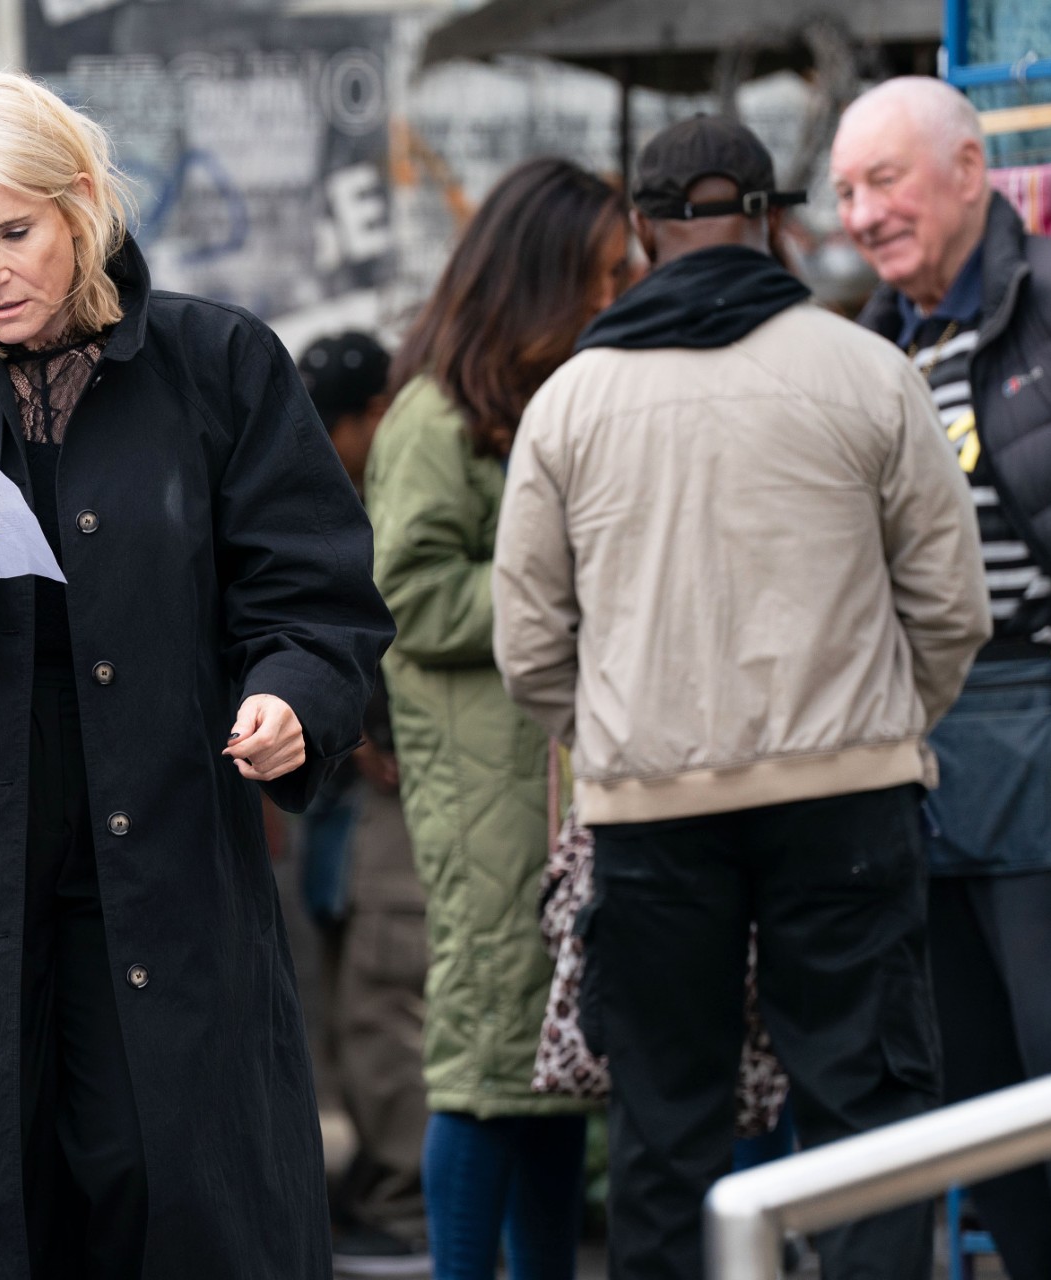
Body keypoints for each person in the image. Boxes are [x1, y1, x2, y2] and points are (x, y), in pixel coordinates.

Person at [0, 72, 394, 1279]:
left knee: (178, 1186)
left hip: (165, 839)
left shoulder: (219, 365)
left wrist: (290, 697)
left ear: (83, 202)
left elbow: (313, 596)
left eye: (14, 232)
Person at [493, 115, 991, 1279]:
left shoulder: (572, 402)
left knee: (667, 1126)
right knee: (867, 1110)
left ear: (641, 230)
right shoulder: (870, 370)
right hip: (848, 796)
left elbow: (528, 642)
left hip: (650, 810)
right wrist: (882, 725)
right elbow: (951, 605)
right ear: (772, 220)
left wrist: (615, 736)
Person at [366, 157, 627, 1280]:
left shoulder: (550, 399)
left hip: (550, 766)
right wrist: (567, 587)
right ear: (542, 275)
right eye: (603, 274)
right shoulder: (436, 415)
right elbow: (409, 593)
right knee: (487, 1053)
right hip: (483, 779)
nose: (618, 294)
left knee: (551, 1058)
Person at [834, 76, 1051, 1279]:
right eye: (845, 193)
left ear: (971, 170)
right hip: (919, 749)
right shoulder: (870, 349)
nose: (862, 215)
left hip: (1043, 727)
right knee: (971, 1077)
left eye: (887, 180)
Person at [296, 332, 431, 1278]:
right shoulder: (317, 494)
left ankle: (408, 1202)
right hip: (342, 806)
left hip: (398, 804)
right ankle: (384, 1187)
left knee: (388, 997)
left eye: (335, 422)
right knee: (351, 997)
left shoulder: (401, 488)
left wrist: (386, 731)